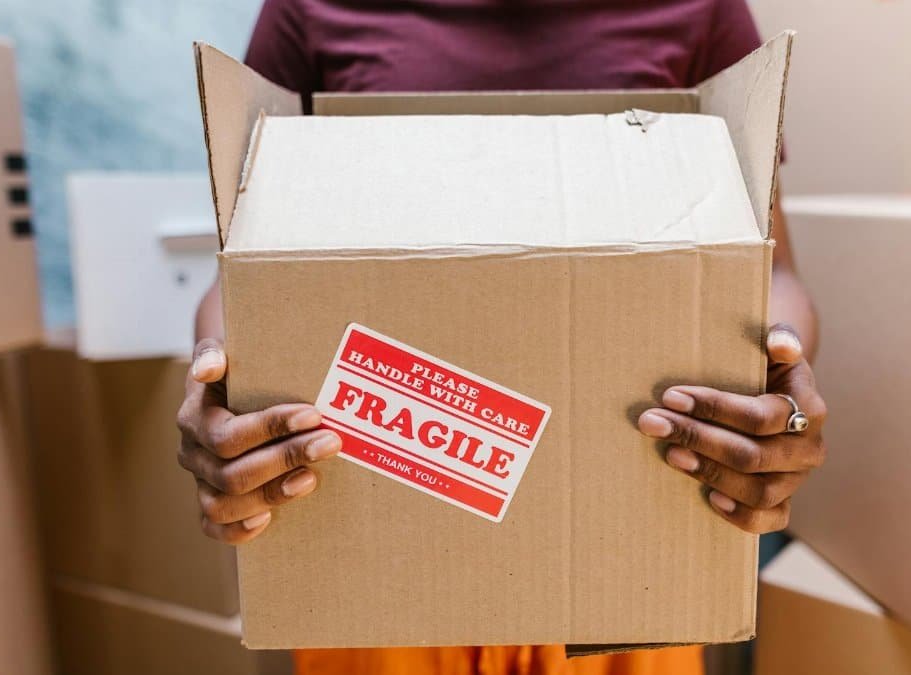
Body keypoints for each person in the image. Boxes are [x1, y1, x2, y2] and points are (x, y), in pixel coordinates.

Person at [176, 1, 826, 673]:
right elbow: (244, 273)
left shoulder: (700, 9)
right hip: (378, 554)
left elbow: (772, 271)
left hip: (628, 553)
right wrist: (224, 395)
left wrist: (778, 396)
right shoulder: (310, 9)